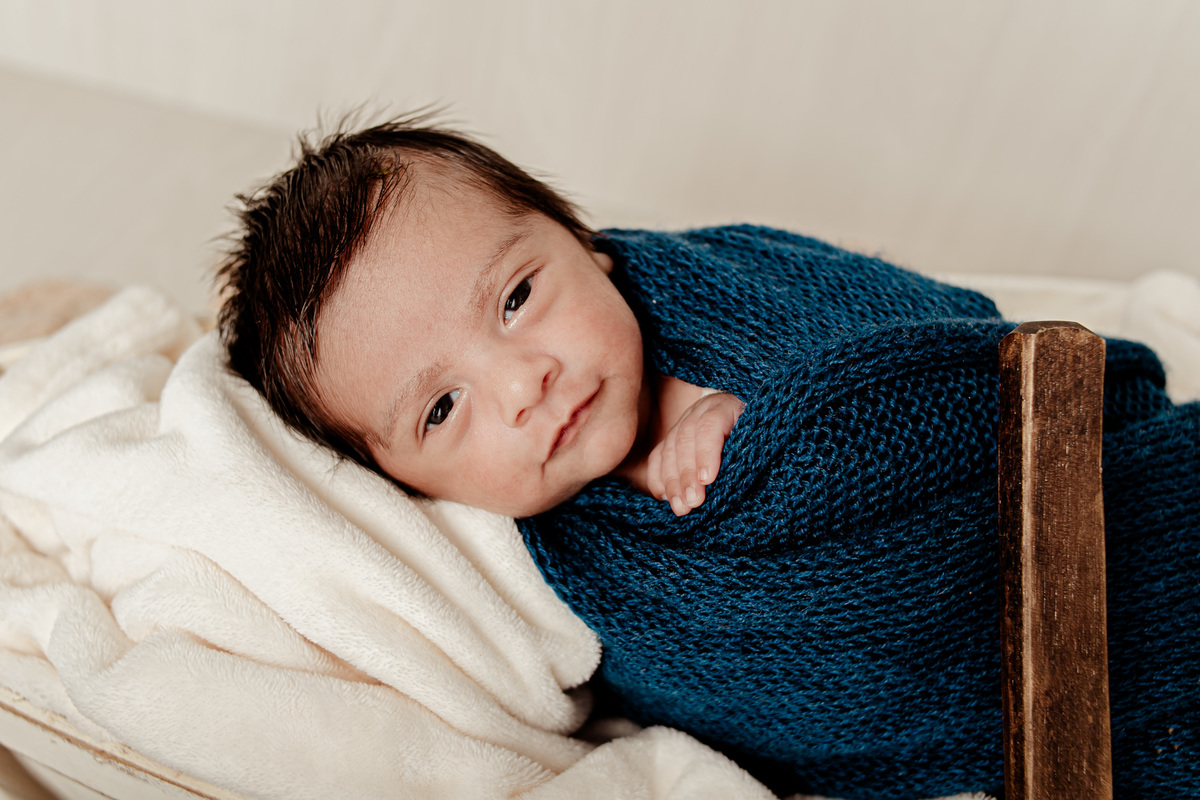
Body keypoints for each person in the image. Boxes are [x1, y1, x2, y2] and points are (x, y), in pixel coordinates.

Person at [219, 115, 1199, 800]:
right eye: (442, 406)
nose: (524, 381)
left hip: (1115, 503)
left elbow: (934, 340)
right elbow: (715, 683)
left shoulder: (716, 283)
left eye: (516, 298)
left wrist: (752, 413)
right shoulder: (561, 565)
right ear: (412, 486)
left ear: (586, 244)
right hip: (1042, 717)